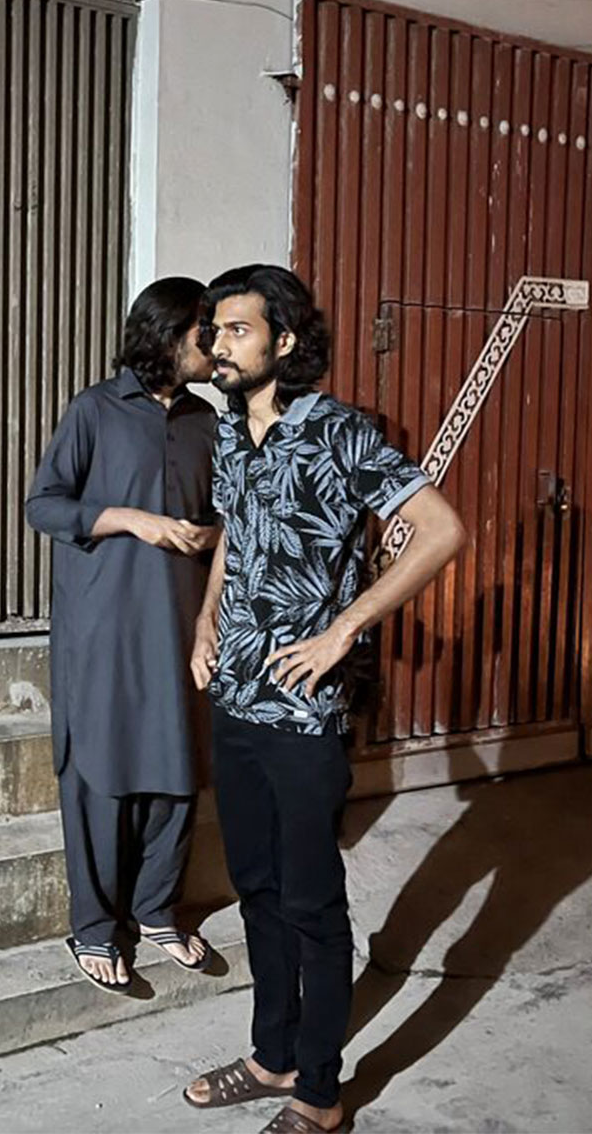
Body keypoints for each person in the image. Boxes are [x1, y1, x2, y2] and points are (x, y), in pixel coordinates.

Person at [183, 265, 465, 1134]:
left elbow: (443, 530)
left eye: (237, 330)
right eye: (215, 331)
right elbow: (234, 531)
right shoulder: (231, 431)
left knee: (309, 898)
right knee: (258, 886)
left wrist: (346, 629)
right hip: (235, 695)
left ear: (287, 342)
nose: (218, 345)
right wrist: (205, 623)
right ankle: (272, 1055)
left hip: (304, 712)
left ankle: (320, 1091)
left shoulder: (344, 434)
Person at [26, 277, 221, 992]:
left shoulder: (207, 421)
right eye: (207, 331)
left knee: (176, 768)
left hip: (179, 621)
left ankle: (158, 909)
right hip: (104, 625)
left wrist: (209, 536)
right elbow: (44, 505)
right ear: (170, 335)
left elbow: (221, 513)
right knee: (101, 773)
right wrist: (133, 519)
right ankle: (94, 928)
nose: (217, 345)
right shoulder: (95, 411)